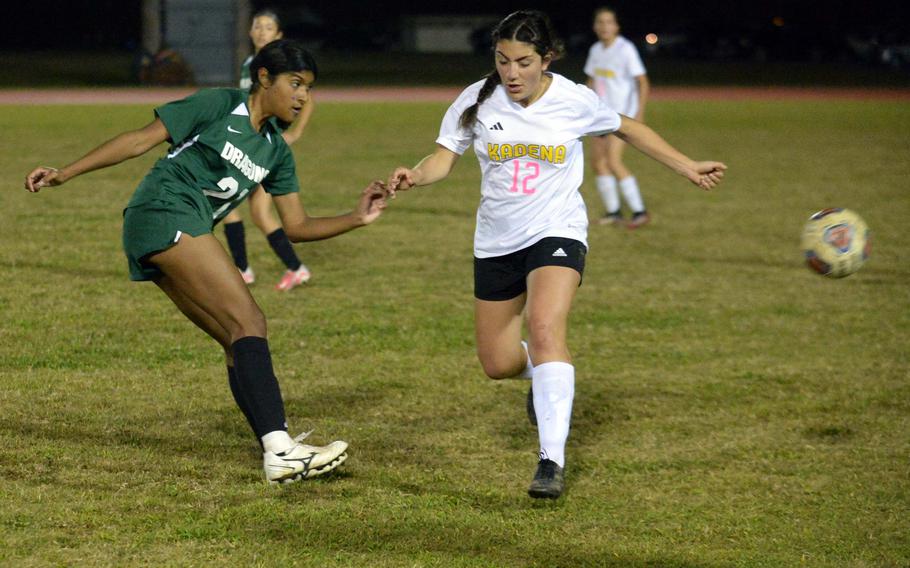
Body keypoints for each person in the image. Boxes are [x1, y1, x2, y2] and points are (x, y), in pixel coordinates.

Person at [387, 11, 725, 499]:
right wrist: (416, 175)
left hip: (556, 230)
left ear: (546, 59)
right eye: (503, 60)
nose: (512, 73)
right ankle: (548, 374)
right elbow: (443, 155)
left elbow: (628, 128)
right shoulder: (477, 98)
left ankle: (551, 461)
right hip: (497, 240)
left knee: (545, 328)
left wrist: (687, 166)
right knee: (497, 362)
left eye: (524, 62)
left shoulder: (572, 99)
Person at [25, 40, 389, 484]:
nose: (302, 97)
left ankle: (277, 452)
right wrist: (66, 172)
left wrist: (357, 217)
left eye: (309, 89)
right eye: (295, 84)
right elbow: (141, 139)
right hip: (163, 210)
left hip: (170, 225)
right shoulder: (220, 104)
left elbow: (295, 226)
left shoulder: (276, 151)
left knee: (237, 338)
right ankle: (280, 450)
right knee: (249, 320)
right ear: (264, 79)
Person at [226, 9, 316, 290]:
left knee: (228, 205)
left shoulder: (281, 65)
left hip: (262, 146)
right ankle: (295, 268)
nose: (262, 31)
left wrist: (296, 133)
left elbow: (308, 99)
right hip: (251, 141)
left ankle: (243, 270)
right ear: (251, 33)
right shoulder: (250, 63)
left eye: (268, 28)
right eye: (257, 27)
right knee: (259, 214)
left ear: (278, 35)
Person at [584, 7, 652, 228]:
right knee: (598, 163)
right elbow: (591, 81)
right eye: (600, 22)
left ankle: (639, 211)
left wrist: (639, 113)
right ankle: (613, 212)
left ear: (616, 26)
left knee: (613, 161)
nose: (604, 26)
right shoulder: (596, 50)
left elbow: (642, 81)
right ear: (595, 27)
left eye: (608, 22)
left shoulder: (625, 49)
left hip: (621, 115)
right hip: (600, 115)